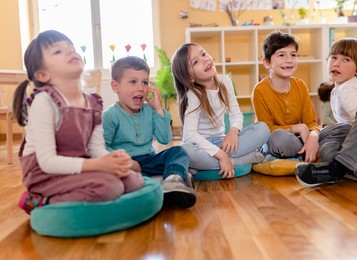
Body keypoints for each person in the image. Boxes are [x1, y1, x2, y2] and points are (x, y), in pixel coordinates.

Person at [13, 30, 144, 215]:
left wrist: (113, 160)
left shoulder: (93, 102)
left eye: (71, 47)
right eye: (57, 51)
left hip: (78, 166)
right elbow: (47, 162)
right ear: (42, 75)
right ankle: (39, 201)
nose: (69, 52)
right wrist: (100, 166)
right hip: (45, 174)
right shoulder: (44, 101)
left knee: (133, 180)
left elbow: (96, 150)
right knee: (110, 187)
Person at [296, 37, 357, 188]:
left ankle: (339, 168)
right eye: (333, 57)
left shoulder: (348, 89)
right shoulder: (339, 89)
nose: (337, 63)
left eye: (346, 59)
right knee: (328, 150)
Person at [102, 56, 196, 208]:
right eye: (133, 82)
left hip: (148, 160)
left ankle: (173, 179)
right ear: (115, 86)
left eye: (145, 82)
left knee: (178, 151)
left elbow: (165, 139)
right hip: (125, 164)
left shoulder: (150, 111)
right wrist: (128, 163)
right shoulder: (110, 116)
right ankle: (168, 181)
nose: (140, 88)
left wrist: (158, 109)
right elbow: (102, 148)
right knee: (125, 177)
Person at [171, 43, 270, 179]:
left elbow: (236, 114)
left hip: (222, 141)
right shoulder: (193, 95)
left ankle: (204, 166)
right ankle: (239, 160)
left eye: (204, 54)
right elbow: (190, 135)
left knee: (263, 129)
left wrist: (233, 133)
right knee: (184, 151)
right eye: (196, 62)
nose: (205, 59)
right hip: (201, 146)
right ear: (189, 78)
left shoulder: (225, 81)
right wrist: (221, 155)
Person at [251, 31, 320, 163]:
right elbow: (267, 129)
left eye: (293, 55)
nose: (289, 60)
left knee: (334, 132)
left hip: (300, 138)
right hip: (275, 139)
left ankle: (306, 152)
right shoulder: (260, 90)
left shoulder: (300, 85)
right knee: (279, 139)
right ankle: (308, 154)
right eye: (281, 55)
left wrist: (313, 137)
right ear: (266, 63)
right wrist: (299, 127)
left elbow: (312, 123)